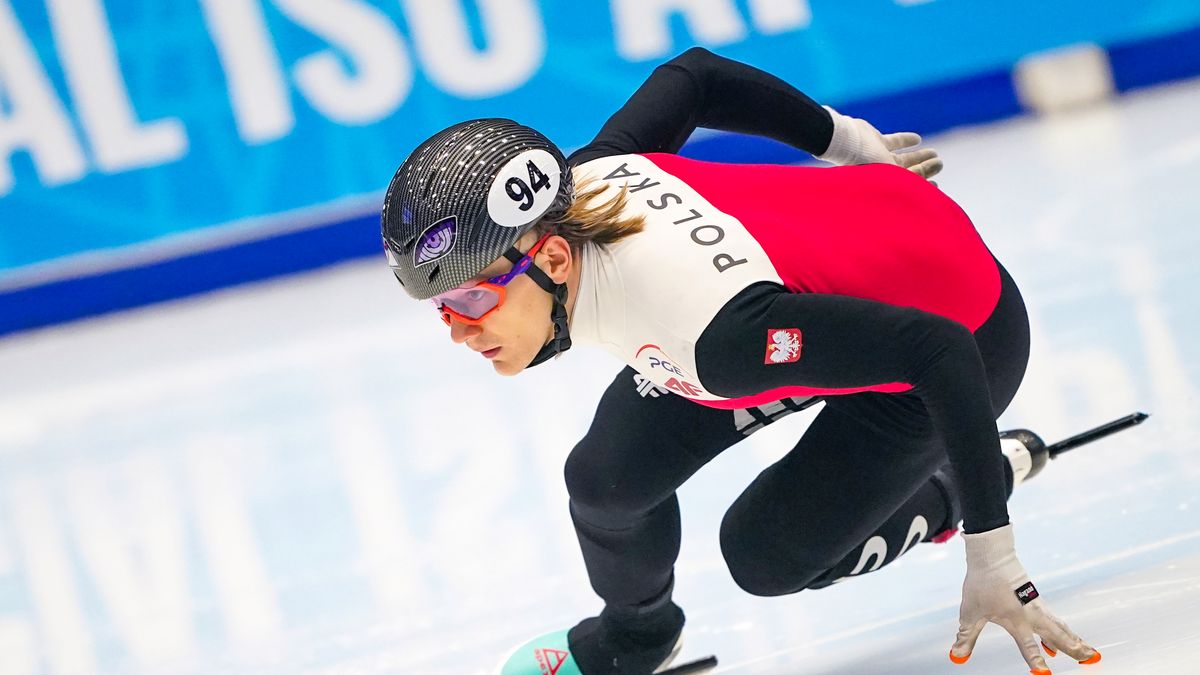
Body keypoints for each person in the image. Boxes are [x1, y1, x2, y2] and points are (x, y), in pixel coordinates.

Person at [381, 47, 1102, 675]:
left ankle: (955, 482)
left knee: (766, 556)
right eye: (440, 307)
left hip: (965, 336)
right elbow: (694, 76)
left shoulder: (712, 340)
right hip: (809, 290)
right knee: (605, 480)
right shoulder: (590, 177)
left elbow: (937, 348)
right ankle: (639, 634)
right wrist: (848, 141)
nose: (456, 329)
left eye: (472, 298)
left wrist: (992, 550)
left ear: (556, 255)